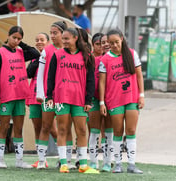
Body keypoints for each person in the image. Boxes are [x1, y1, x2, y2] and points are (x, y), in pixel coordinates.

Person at [46, 27, 98, 174]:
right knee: (62, 129)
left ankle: (83, 165)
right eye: (63, 39)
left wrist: (88, 100)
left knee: (81, 130)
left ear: (76, 38)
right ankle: (64, 163)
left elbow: (90, 80)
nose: (64, 41)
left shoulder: (87, 56)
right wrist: (49, 96)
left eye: (67, 39)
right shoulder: (57, 55)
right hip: (62, 97)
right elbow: (50, 77)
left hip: (80, 99)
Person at [0, 26, 40, 169]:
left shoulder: (20, 51)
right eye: (14, 37)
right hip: (6, 96)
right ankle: (0, 159)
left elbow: (35, 53)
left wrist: (21, 44)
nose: (16, 41)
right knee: (4, 127)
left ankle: (19, 160)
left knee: (18, 128)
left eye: (19, 39)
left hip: (20, 94)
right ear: (8, 36)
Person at [99, 29, 144, 174]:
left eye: (116, 42)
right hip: (114, 100)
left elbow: (139, 76)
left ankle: (131, 164)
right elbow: (102, 83)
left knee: (131, 130)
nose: (114, 45)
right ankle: (117, 164)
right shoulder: (105, 59)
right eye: (110, 43)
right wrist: (101, 102)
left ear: (122, 40)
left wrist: (141, 95)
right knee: (117, 131)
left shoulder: (131, 54)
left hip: (131, 98)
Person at [36, 21, 75, 170]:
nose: (52, 36)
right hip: (49, 96)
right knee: (45, 126)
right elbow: (40, 74)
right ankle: (41, 161)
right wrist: (40, 93)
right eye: (51, 33)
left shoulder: (71, 51)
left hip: (64, 96)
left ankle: (66, 160)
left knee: (65, 128)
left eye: (55, 33)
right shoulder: (46, 51)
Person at [26, 32, 57, 168]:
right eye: (37, 40)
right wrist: (38, 58)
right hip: (34, 96)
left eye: (42, 40)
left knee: (52, 128)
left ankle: (65, 156)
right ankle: (41, 159)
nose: (39, 42)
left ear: (48, 42)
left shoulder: (53, 55)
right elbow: (28, 73)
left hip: (49, 96)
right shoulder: (35, 58)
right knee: (37, 127)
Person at [88, 32, 114, 172]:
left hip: (110, 100)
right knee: (94, 131)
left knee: (108, 132)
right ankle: (92, 162)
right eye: (101, 42)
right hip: (95, 100)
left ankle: (107, 162)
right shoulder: (94, 61)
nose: (104, 45)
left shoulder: (117, 60)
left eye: (106, 42)